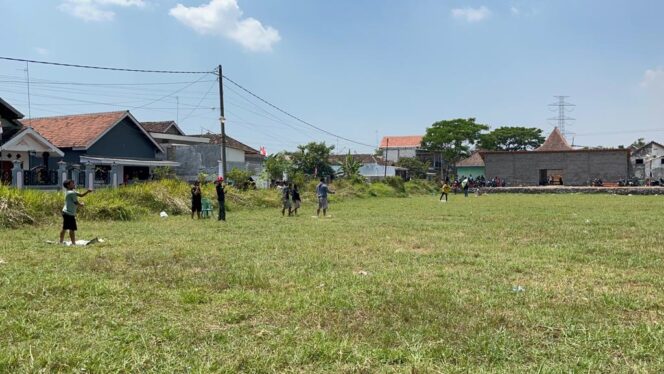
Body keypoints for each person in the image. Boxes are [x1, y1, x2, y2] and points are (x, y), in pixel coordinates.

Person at [60, 179, 92, 245]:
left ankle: (61, 241)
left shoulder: (70, 191)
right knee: (71, 228)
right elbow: (76, 202)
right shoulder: (72, 193)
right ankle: (73, 243)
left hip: (66, 212)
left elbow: (81, 195)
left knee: (65, 228)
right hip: (69, 213)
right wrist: (81, 205)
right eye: (72, 183)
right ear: (68, 185)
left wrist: (87, 191)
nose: (74, 184)